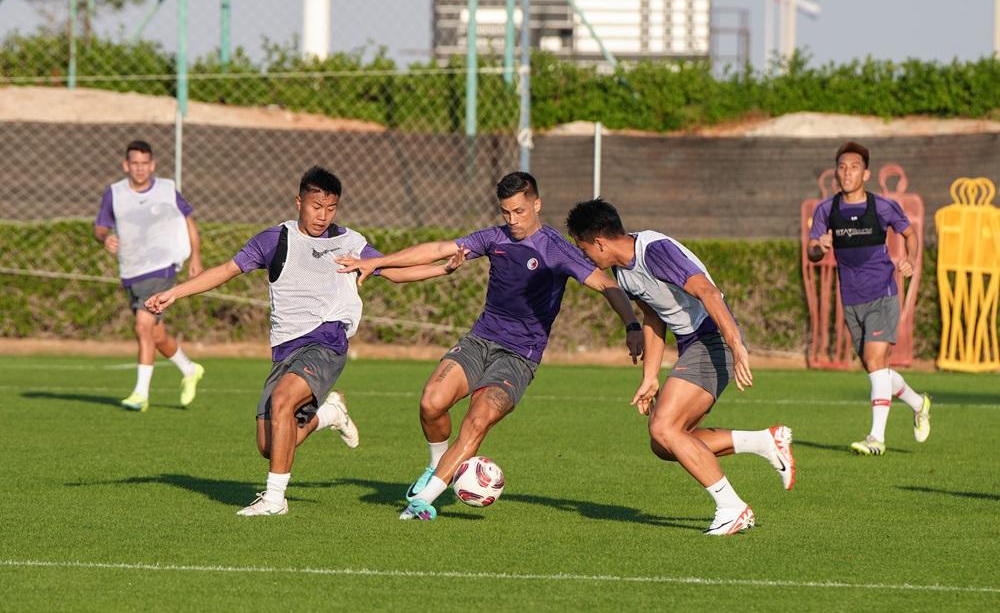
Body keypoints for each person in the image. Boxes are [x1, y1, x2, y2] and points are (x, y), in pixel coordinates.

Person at [145, 166, 465, 516]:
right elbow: (225, 271)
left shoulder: (350, 242)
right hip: (286, 348)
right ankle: (328, 414)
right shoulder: (274, 240)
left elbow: (393, 271)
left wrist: (442, 269)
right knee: (270, 446)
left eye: (330, 208)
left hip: (327, 341)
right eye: (316, 206)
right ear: (299, 202)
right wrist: (175, 292)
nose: (322, 215)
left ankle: (274, 500)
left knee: (283, 401)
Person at [336, 172, 644, 521]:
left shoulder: (556, 249)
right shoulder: (494, 238)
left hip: (519, 356)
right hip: (480, 340)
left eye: (519, 212)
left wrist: (632, 325)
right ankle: (439, 466)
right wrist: (377, 261)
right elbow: (439, 249)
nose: (512, 220)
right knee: (431, 402)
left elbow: (606, 284)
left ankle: (424, 500)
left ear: (536, 205)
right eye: (505, 212)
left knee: (477, 419)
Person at [565, 198, 795, 536]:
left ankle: (732, 508)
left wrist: (736, 345)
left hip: (713, 340)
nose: (585, 256)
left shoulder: (654, 251)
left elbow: (709, 292)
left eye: (584, 248)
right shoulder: (622, 272)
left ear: (599, 242)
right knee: (665, 444)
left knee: (664, 428)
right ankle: (764, 442)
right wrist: (649, 378)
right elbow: (654, 317)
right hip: (694, 346)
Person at [808, 141, 930, 456]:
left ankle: (876, 438)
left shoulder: (883, 207)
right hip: (851, 300)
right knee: (876, 370)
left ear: (866, 173)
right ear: (836, 172)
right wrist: (819, 247)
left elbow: (910, 235)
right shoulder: (826, 210)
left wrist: (909, 260)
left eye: (854, 167)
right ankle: (919, 403)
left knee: (876, 362)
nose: (847, 172)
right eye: (842, 166)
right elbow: (812, 250)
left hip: (883, 293)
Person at [94, 140, 205, 412]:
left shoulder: (167, 189)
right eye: (135, 164)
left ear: (152, 165)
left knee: (143, 325)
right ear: (126, 165)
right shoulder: (114, 193)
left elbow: (188, 220)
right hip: (131, 271)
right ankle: (190, 369)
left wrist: (196, 256)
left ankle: (140, 394)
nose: (140, 169)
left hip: (162, 267)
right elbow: (100, 227)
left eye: (145, 164)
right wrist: (105, 238)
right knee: (155, 335)